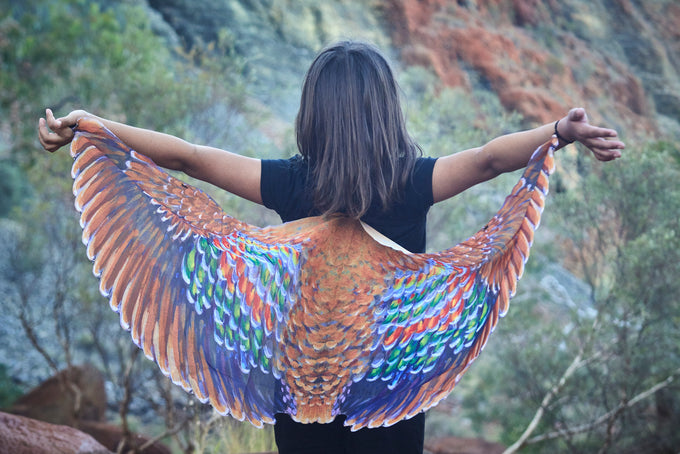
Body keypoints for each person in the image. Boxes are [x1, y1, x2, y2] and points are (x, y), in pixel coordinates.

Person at [38, 41, 624, 454]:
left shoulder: (290, 182)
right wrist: (557, 132)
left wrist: (95, 124)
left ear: (312, 114)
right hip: (388, 398)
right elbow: (492, 158)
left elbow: (187, 157)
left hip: (300, 399)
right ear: (386, 111)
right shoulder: (411, 180)